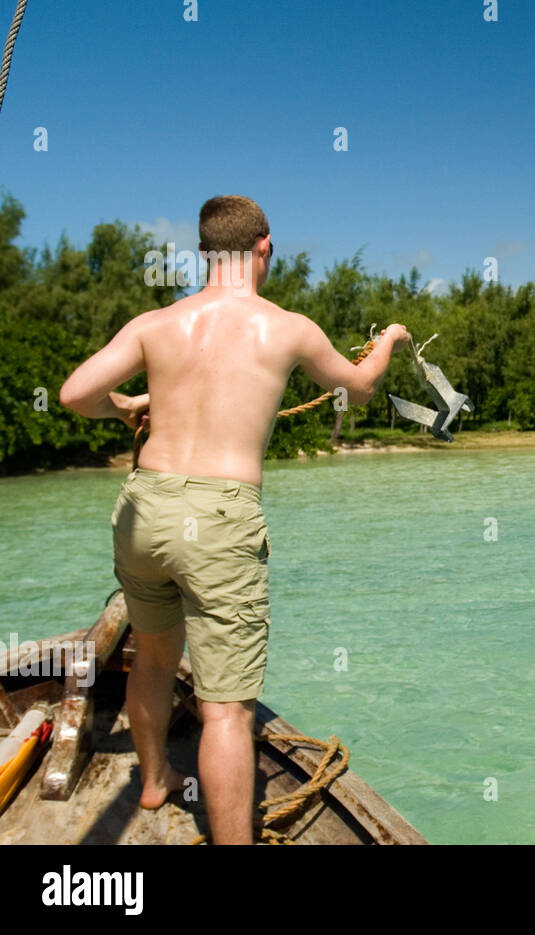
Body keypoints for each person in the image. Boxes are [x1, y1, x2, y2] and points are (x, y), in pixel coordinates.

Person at [59, 195, 411, 844]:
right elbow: (359, 387)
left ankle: (156, 779)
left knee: (155, 659)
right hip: (219, 518)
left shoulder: (158, 322)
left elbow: (75, 393)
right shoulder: (288, 327)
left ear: (202, 253)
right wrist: (389, 339)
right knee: (225, 711)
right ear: (264, 247)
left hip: (144, 508)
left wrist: (128, 406)